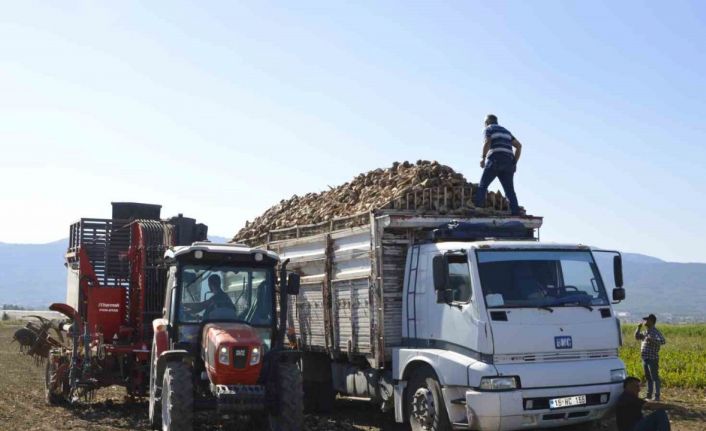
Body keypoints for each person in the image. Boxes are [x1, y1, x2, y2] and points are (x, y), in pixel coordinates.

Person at [474, 114, 522, 215]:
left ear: (487, 122)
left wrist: (482, 158)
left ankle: (478, 209)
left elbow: (487, 142)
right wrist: (514, 162)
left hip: (495, 160)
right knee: (509, 190)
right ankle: (515, 212)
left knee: (483, 185)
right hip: (508, 162)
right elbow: (519, 146)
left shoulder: (488, 129)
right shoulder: (506, 131)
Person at [635, 313, 666, 400]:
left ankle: (657, 396)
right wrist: (638, 328)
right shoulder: (645, 332)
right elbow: (637, 337)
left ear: (651, 321)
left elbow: (663, 341)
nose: (645, 321)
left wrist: (652, 340)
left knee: (654, 377)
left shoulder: (655, 332)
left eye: (647, 320)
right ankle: (649, 395)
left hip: (652, 358)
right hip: (645, 358)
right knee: (648, 378)